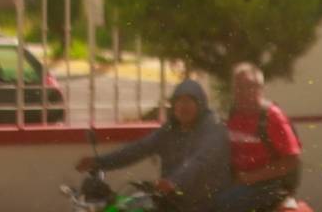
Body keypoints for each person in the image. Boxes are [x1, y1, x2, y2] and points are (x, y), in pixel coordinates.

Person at [74, 78, 231, 212]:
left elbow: (199, 162)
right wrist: (99, 162)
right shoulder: (170, 130)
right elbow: (138, 149)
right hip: (173, 201)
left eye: (189, 101)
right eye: (179, 101)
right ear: (173, 106)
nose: (183, 106)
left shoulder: (213, 128)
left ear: (200, 104)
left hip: (206, 203)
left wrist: (174, 181)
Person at [212, 62, 303, 212]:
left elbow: (292, 160)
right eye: (238, 87)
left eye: (249, 86)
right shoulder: (234, 114)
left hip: (272, 185)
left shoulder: (272, 116)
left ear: (260, 89)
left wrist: (251, 177)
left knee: (224, 203)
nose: (242, 92)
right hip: (241, 182)